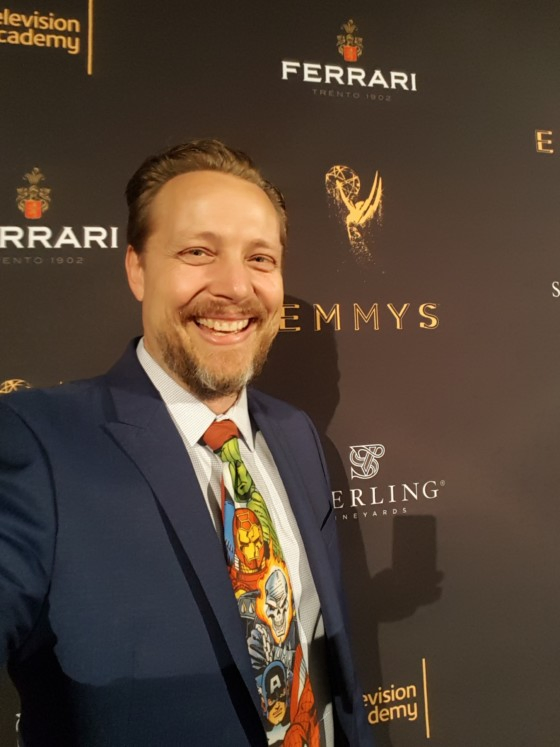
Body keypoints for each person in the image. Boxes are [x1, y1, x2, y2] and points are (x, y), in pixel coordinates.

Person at [0, 140, 373, 746]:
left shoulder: (296, 434)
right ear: (137, 269)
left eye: (260, 258)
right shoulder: (35, 442)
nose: (235, 287)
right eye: (198, 252)